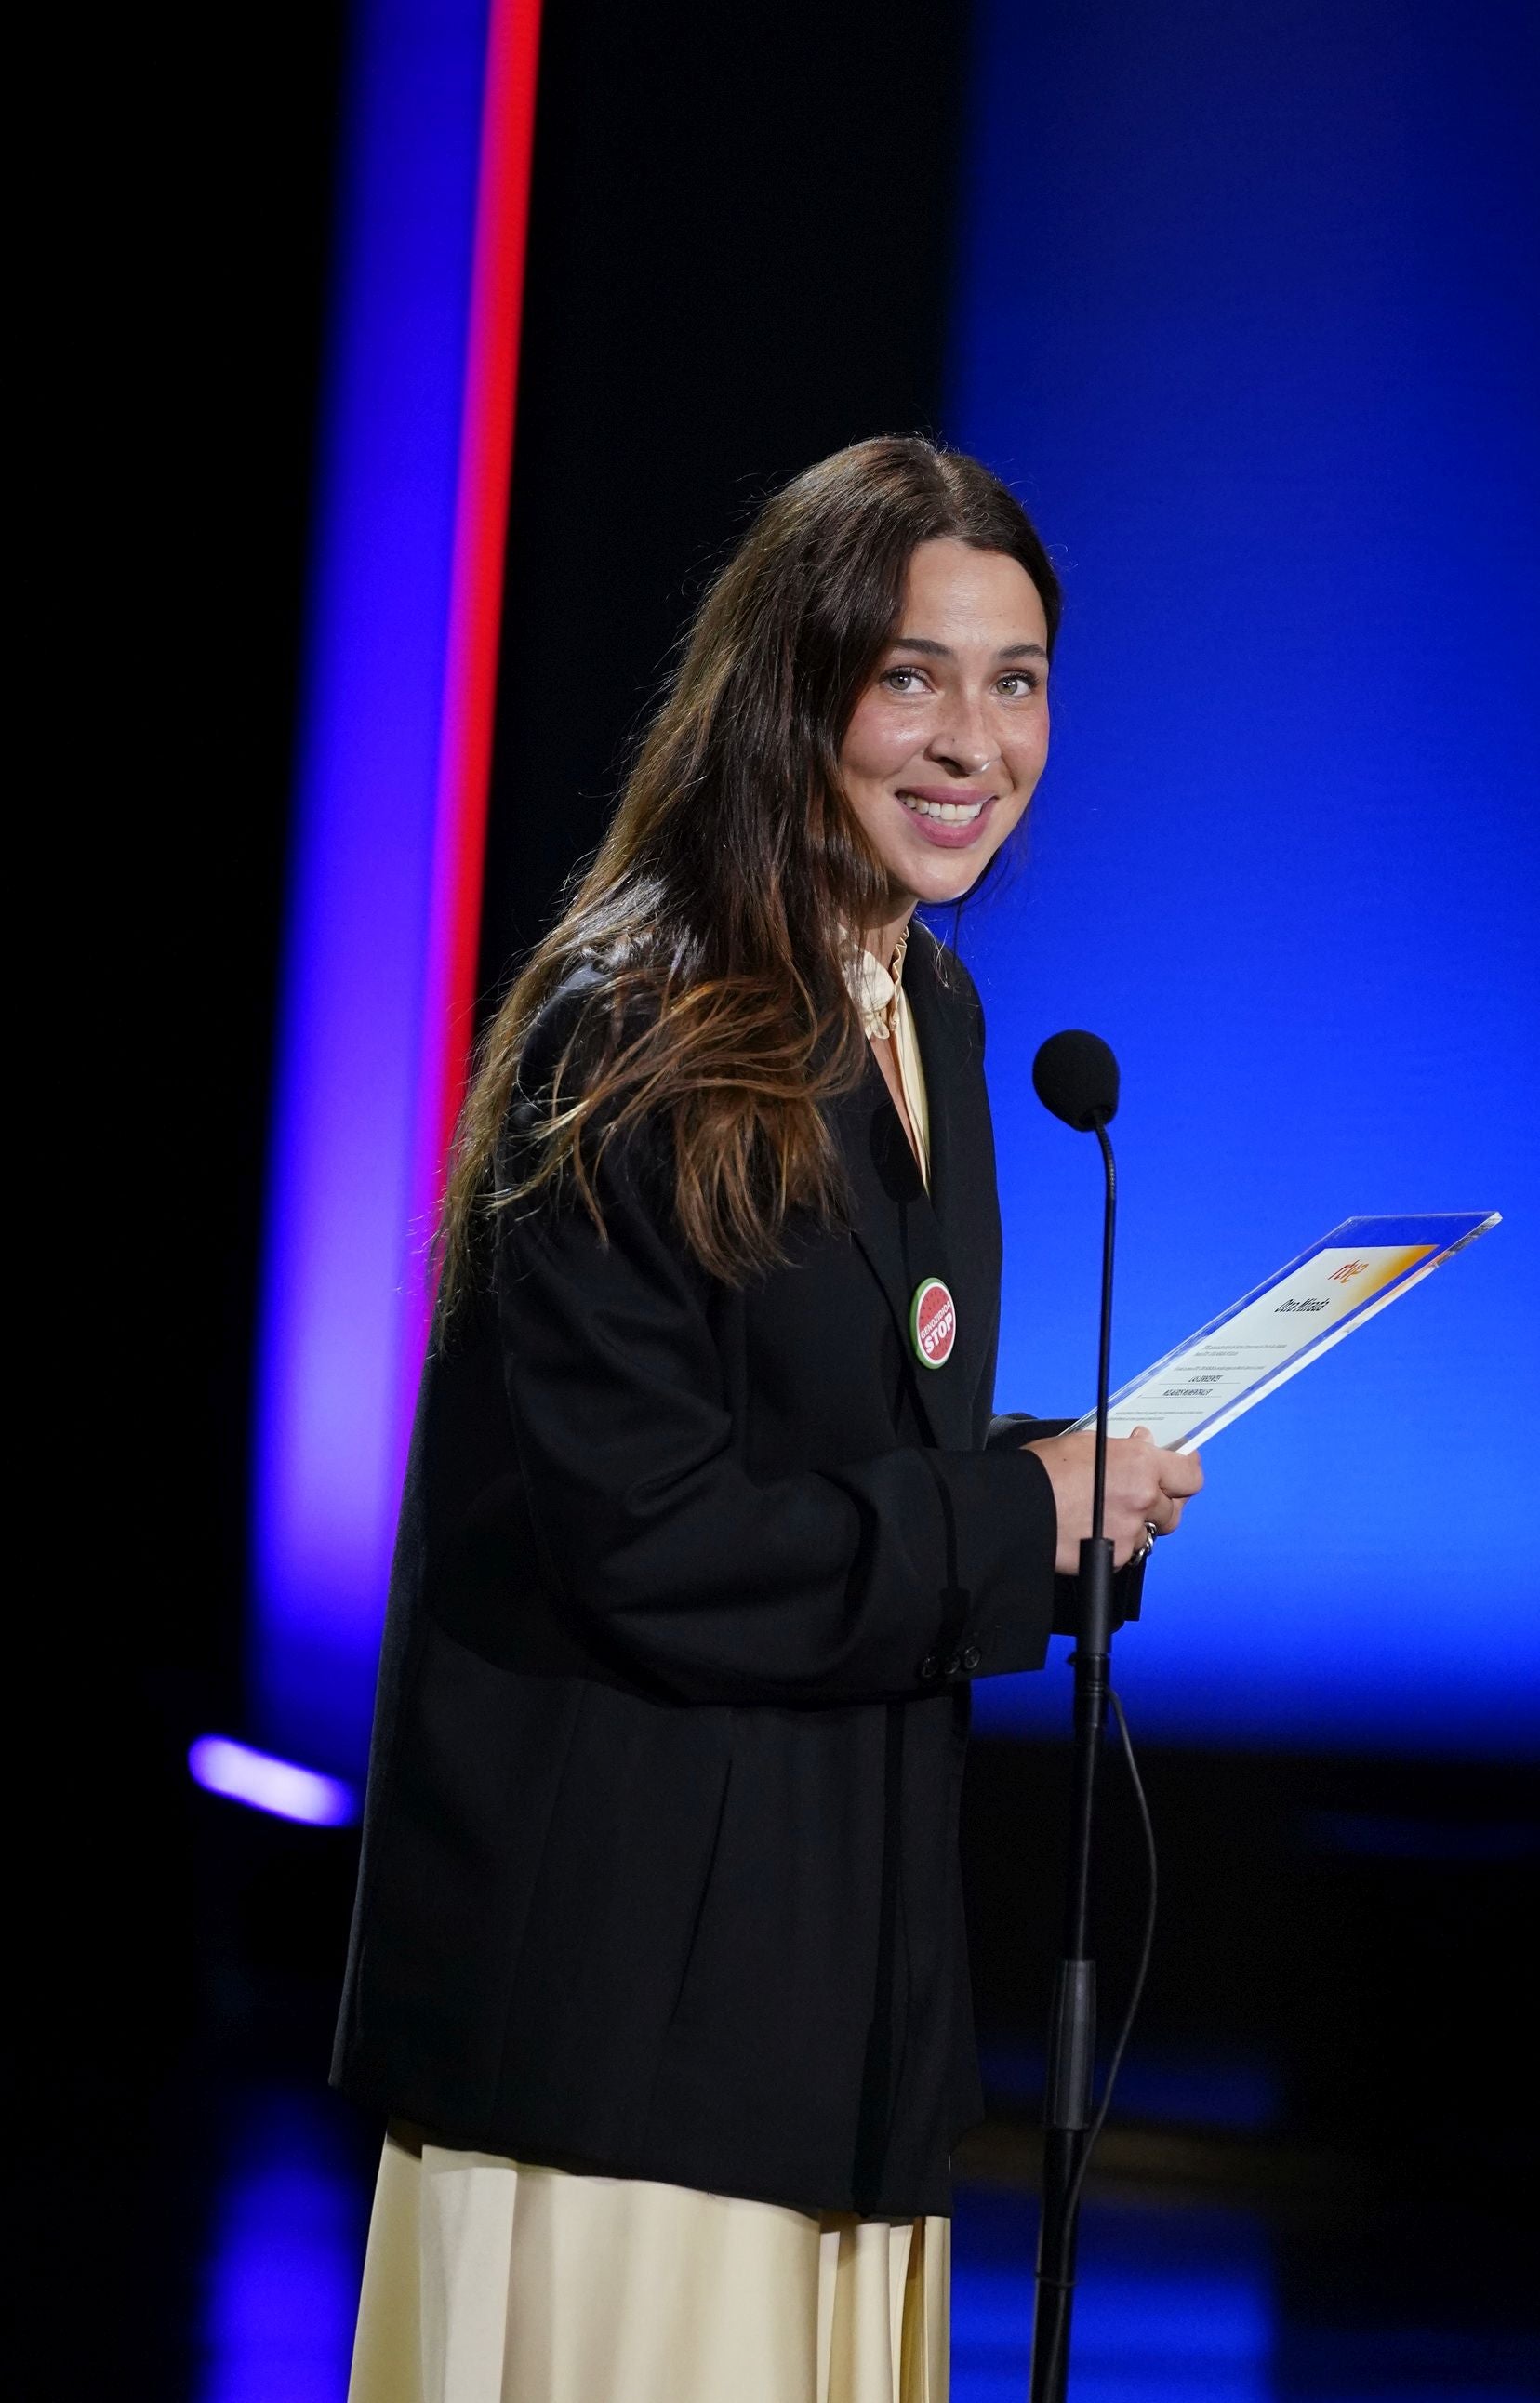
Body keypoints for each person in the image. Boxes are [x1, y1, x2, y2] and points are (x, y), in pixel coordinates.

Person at [335, 436, 1202, 2403]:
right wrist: (1006, 1512)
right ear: (790, 689)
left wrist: (1068, 1503)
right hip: (628, 2043)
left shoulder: (936, 1018)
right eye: (910, 673)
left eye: (1017, 677)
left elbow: (840, 1458)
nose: (971, 737)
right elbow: (653, 1537)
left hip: (835, 2021)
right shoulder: (639, 1027)